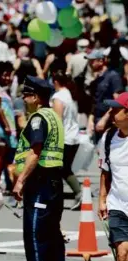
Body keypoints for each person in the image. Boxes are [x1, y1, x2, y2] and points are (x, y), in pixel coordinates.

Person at [12, 76, 67, 261]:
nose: (24, 99)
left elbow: (35, 151)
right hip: (53, 181)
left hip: (41, 181)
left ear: (36, 97)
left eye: (26, 95)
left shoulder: (37, 119)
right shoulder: (53, 116)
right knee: (52, 233)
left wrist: (20, 179)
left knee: (36, 233)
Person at [97, 93, 128, 261]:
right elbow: (105, 172)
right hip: (118, 204)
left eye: (115, 110)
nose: (111, 114)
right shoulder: (108, 139)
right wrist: (102, 199)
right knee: (123, 254)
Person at [51, 70, 82, 210]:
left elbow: (57, 119)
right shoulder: (68, 94)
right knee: (63, 168)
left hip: (64, 137)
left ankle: (78, 193)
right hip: (73, 135)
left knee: (60, 168)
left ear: (56, 82)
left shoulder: (58, 97)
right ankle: (75, 193)